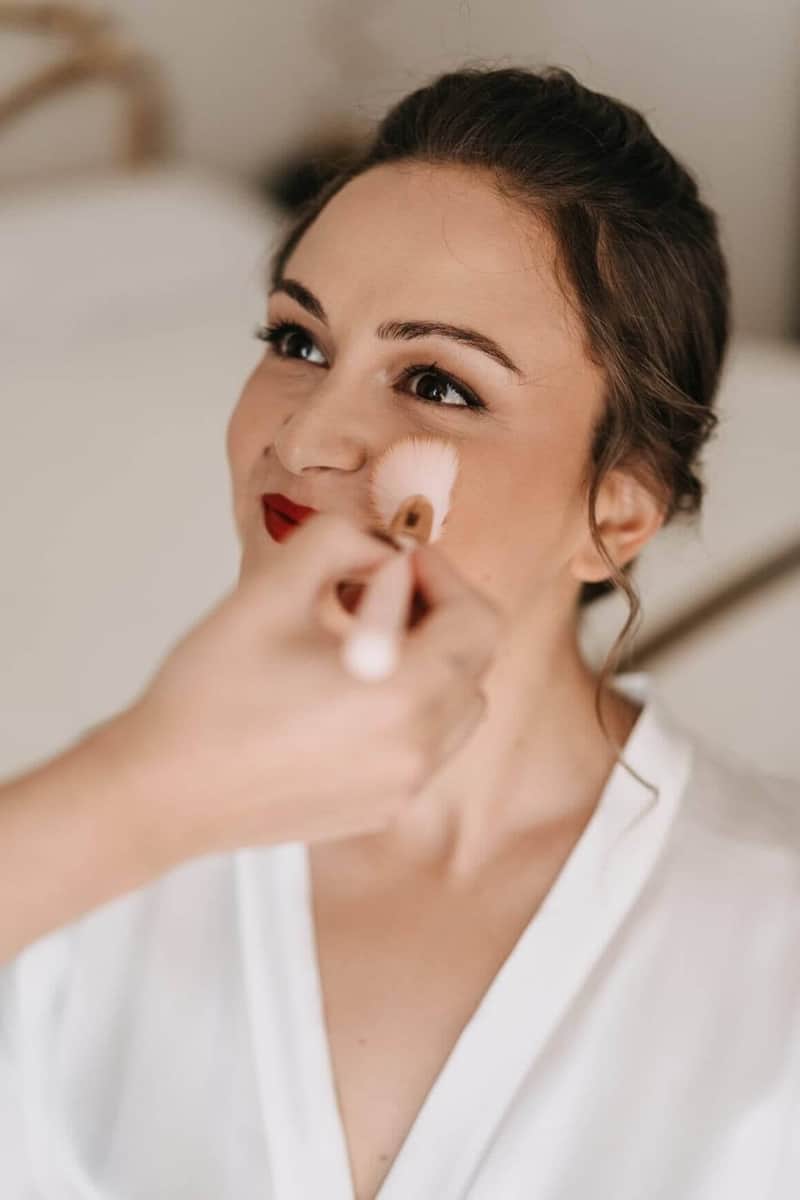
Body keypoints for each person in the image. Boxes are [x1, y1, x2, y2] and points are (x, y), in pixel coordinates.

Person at [1, 63, 798, 1200]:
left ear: (611, 514)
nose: (312, 435)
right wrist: (132, 801)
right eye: (298, 342)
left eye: (436, 382)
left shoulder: (772, 943)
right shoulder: (71, 866)